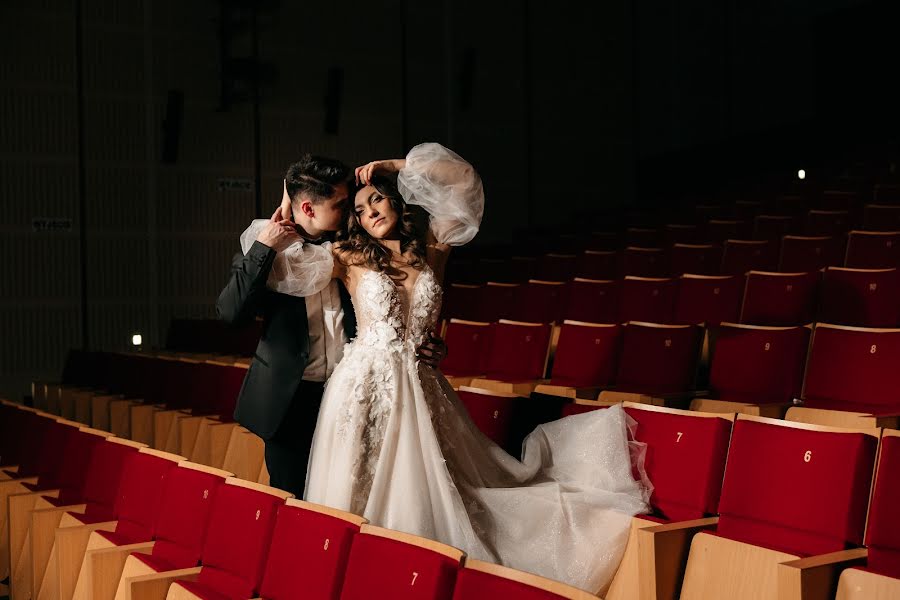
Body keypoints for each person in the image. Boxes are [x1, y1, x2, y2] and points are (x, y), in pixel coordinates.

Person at [244, 143, 651, 593]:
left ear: (395, 200)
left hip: (421, 383)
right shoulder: (348, 258)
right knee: (356, 488)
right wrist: (285, 204)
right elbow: (278, 261)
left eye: (377, 198)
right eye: (358, 209)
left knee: (431, 490)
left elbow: (461, 181)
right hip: (363, 386)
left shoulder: (434, 248)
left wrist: (391, 167)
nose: (371, 211)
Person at [216, 153, 446, 498]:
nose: (352, 212)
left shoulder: (355, 249)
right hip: (290, 399)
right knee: (293, 500)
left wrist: (427, 343)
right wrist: (266, 245)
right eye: (341, 204)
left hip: (354, 393)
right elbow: (231, 312)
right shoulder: (268, 254)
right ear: (308, 209)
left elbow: (403, 309)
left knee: (353, 496)